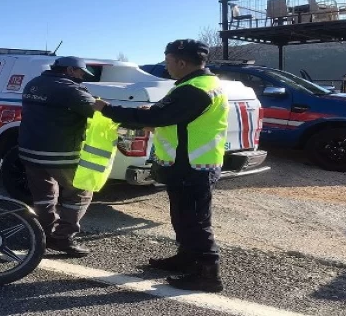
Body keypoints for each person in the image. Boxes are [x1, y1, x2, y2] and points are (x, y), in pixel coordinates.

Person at [93, 39, 228, 292]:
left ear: (181, 61)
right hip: (190, 162)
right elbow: (175, 117)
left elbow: (159, 116)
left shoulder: (193, 89)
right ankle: (186, 258)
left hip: (191, 165)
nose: (166, 67)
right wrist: (156, 115)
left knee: (195, 221)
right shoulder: (202, 84)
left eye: (167, 61)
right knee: (183, 216)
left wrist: (107, 108)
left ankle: (208, 274)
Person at [18, 56, 96, 257]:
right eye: (80, 73)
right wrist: (138, 118)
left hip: (30, 151)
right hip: (60, 155)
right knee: (80, 192)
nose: (82, 78)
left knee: (44, 195)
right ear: (70, 70)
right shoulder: (69, 89)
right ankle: (62, 238)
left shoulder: (33, 84)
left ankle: (44, 233)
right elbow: (98, 112)